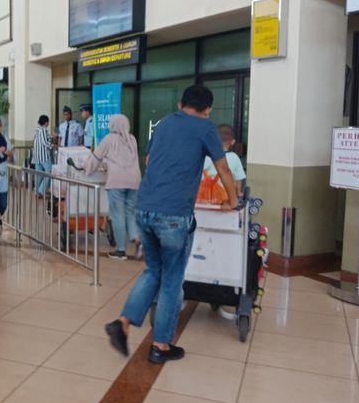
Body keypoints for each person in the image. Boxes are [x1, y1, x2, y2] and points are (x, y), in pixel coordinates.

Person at [105, 85, 238, 364]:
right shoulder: (206, 128)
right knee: (171, 281)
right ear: (208, 109)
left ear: (181, 104)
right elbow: (223, 169)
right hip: (174, 215)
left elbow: (150, 159)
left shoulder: (164, 124)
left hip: (145, 208)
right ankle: (161, 346)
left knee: (153, 271)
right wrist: (233, 201)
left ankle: (123, 322)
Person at [85, 114, 142, 260]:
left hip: (117, 181)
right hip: (134, 181)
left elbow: (96, 157)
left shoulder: (109, 139)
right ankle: (137, 239)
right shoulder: (132, 139)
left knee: (118, 215)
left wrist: (86, 169)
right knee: (130, 212)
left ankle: (121, 251)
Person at [203, 124, 245, 196]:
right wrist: (238, 193)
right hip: (226, 198)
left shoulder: (206, 156)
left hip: (204, 196)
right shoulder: (235, 157)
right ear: (233, 141)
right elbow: (238, 179)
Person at [32, 115, 53, 198]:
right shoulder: (43, 130)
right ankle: (41, 191)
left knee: (39, 174)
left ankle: (36, 191)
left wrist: (51, 137)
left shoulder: (37, 130)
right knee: (49, 173)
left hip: (36, 156)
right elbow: (45, 142)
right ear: (46, 122)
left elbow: (44, 138)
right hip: (43, 155)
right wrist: (52, 145)